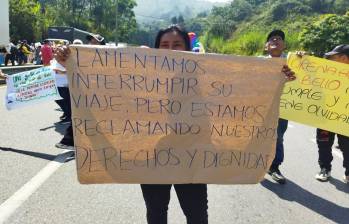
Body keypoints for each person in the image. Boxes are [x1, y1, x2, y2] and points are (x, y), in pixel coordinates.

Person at [55, 33, 106, 150]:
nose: (91, 44)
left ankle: (70, 141)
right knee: (81, 116)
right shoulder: (82, 58)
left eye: (95, 42)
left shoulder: (109, 60)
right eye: (90, 42)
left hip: (102, 97)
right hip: (86, 95)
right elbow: (72, 70)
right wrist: (62, 58)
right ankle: (69, 141)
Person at [314, 44, 349, 184]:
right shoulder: (326, 71)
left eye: (332, 57)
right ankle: (324, 169)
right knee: (323, 144)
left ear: (344, 58)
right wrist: (301, 58)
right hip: (326, 117)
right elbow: (306, 72)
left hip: (345, 119)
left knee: (347, 146)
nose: (328, 59)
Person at [264, 30, 289, 184]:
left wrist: (303, 59)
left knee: (277, 138)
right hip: (259, 108)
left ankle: (274, 167)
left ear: (284, 45)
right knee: (254, 135)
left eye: (279, 38)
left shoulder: (292, 63)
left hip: (282, 109)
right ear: (266, 46)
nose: (275, 39)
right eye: (271, 38)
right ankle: (251, 165)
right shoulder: (256, 63)